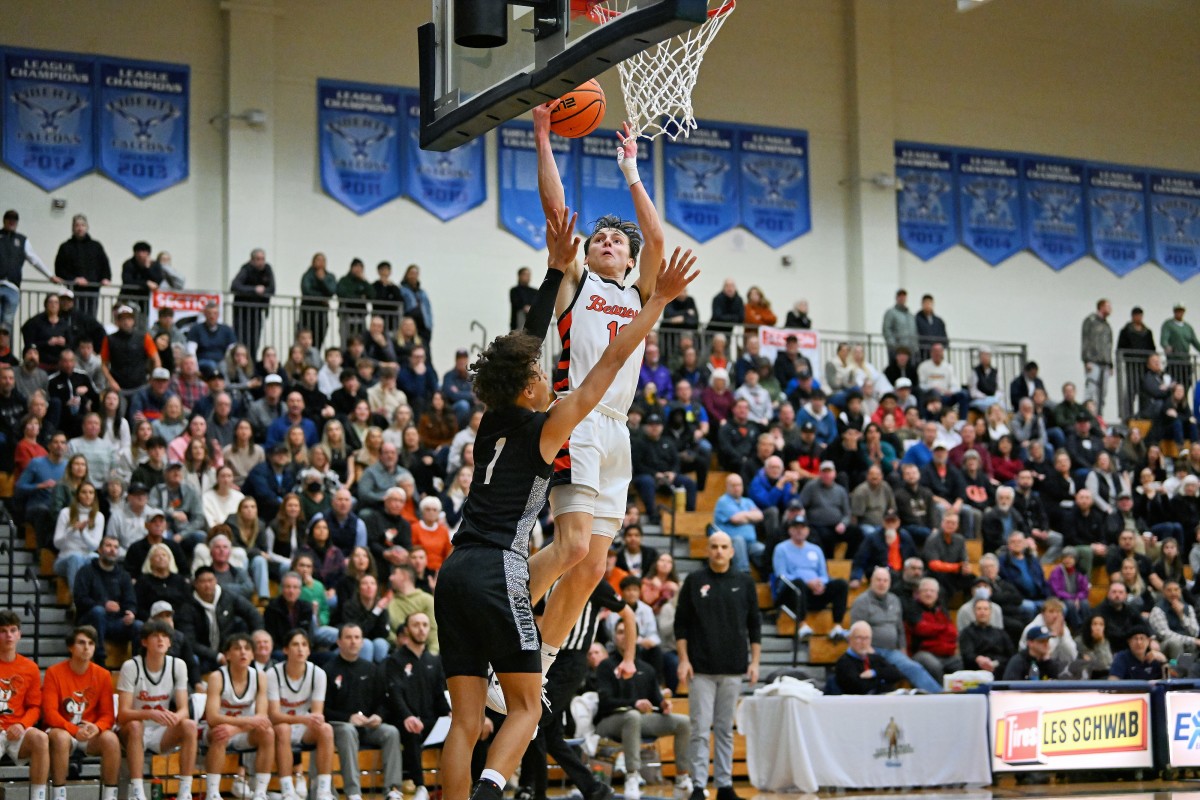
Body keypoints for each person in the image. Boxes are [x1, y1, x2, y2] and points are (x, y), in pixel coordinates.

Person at [435, 204, 693, 800]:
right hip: (500, 569)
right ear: (533, 387)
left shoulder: (492, 424)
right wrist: (647, 302)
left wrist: (546, 128)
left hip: (458, 567)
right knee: (526, 709)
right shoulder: (550, 424)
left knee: (466, 724)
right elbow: (600, 366)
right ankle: (491, 789)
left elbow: (526, 338)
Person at [674, 532, 759, 800]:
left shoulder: (745, 582)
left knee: (725, 730)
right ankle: (699, 786)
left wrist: (755, 662)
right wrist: (684, 659)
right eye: (715, 547)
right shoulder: (694, 580)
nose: (719, 551)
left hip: (734, 668)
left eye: (724, 547)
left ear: (732, 551)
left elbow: (754, 625)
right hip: (700, 669)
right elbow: (681, 624)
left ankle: (724, 785)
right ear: (708, 550)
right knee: (699, 729)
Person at [594, 617, 692, 800]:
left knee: (683, 722)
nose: (623, 636)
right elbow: (605, 701)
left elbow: (656, 698)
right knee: (632, 716)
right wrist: (634, 703)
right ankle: (632, 776)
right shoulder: (606, 665)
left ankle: (682, 779)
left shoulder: (646, 668)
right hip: (609, 721)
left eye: (628, 632)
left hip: (638, 720)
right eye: (620, 632)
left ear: (636, 636)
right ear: (614, 637)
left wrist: (664, 704)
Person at [116, 620, 199, 800]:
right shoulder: (131, 667)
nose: (160, 640)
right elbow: (122, 714)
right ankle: (137, 791)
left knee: (190, 725)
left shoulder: (178, 665)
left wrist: (174, 717)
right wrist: (150, 713)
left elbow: (184, 709)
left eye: (165, 636)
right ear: (144, 642)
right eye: (155, 636)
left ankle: (185, 791)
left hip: (160, 731)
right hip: (132, 731)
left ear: (170, 642)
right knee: (136, 726)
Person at [324, 623, 405, 800]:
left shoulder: (371, 669)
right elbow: (323, 710)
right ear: (339, 642)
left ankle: (393, 789)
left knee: (391, 732)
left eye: (357, 637)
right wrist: (348, 718)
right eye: (348, 637)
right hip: (340, 727)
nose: (353, 642)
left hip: (368, 726)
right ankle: (353, 791)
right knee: (348, 730)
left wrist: (379, 716)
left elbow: (384, 701)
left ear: (362, 642)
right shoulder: (329, 670)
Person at [42, 624, 120, 800]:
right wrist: (73, 730)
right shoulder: (54, 672)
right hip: (62, 729)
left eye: (91, 643)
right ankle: (59, 794)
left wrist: (97, 727)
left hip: (89, 731)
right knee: (61, 738)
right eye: (81, 643)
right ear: (71, 647)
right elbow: (50, 713)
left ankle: (110, 795)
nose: (87, 648)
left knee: (111, 739)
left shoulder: (103, 675)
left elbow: (108, 714)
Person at [384, 612, 450, 800]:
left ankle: (460, 785)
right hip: (405, 720)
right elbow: (394, 693)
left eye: (424, 625)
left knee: (459, 731)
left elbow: (439, 695)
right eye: (416, 625)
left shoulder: (434, 660)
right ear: (407, 630)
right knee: (412, 731)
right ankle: (420, 786)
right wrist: (407, 716)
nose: (421, 629)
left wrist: (449, 712)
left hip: (430, 721)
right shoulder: (395, 660)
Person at [203, 633, 276, 800]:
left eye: (247, 649)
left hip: (242, 731)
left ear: (252, 654)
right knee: (220, 732)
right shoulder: (217, 677)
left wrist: (236, 728)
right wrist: (245, 722)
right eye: (237, 648)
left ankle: (260, 792)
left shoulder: (260, 677)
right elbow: (212, 718)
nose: (243, 652)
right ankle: (212, 793)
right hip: (217, 730)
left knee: (268, 733)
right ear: (227, 655)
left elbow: (262, 717)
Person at [266, 630, 336, 800]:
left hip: (304, 728)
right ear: (285, 650)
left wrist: (308, 719)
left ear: (309, 651)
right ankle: (287, 789)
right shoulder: (272, 674)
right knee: (283, 729)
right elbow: (274, 715)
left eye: (304, 645)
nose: (300, 649)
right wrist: (303, 718)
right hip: (278, 727)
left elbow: (317, 715)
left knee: (325, 729)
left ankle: (323, 790)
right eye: (295, 644)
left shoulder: (318, 674)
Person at [848, 567, 942, 693]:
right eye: (878, 580)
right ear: (872, 581)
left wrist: (903, 649)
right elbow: (857, 630)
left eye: (885, 580)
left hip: (892, 651)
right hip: (871, 651)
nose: (882, 583)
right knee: (881, 674)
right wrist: (867, 650)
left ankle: (940, 695)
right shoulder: (862, 602)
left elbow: (899, 628)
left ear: (889, 583)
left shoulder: (895, 600)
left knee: (914, 668)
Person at [0, 608, 51, 800]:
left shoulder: (30, 668)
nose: (9, 635)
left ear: (19, 634)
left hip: (16, 729)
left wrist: (21, 725)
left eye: (13, 630)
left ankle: (38, 797)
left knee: (41, 738)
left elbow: (35, 707)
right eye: (3, 631)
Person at [772, 516, 849, 641]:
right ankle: (802, 625)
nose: (799, 531)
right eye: (796, 528)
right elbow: (781, 575)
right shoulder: (781, 549)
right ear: (790, 530)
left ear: (808, 531)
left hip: (814, 593)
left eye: (802, 528)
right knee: (798, 583)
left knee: (841, 584)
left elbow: (824, 575)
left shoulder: (816, 549)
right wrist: (808, 583)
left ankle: (837, 626)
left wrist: (820, 584)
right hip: (791, 592)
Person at [181, 567, 264, 674]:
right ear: (195, 584)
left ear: (216, 581)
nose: (207, 585)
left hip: (229, 651)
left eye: (210, 580)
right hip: (203, 655)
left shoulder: (228, 597)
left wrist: (256, 637)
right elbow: (190, 641)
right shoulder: (187, 607)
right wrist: (217, 656)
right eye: (203, 581)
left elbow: (253, 613)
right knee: (192, 659)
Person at [73, 535, 139, 665]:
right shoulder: (86, 571)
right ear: (100, 549)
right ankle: (100, 660)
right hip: (89, 620)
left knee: (139, 626)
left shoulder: (123, 575)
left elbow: (130, 601)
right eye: (108, 546)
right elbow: (80, 599)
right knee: (99, 612)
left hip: (115, 622)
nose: (112, 550)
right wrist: (104, 605)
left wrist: (130, 613)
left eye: (115, 547)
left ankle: (138, 665)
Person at [906, 577, 962, 684]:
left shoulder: (942, 609)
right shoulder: (912, 608)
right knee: (934, 665)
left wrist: (936, 630)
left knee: (958, 662)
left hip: (942, 651)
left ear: (937, 594)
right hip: (920, 652)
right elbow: (921, 629)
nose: (928, 594)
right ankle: (941, 694)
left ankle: (956, 695)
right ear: (919, 593)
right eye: (925, 591)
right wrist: (942, 628)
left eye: (932, 591)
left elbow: (952, 632)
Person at [100, 305, 160, 396]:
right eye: (122, 319)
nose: (126, 322)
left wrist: (152, 380)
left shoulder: (144, 337)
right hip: (118, 387)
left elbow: (156, 360)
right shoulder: (109, 339)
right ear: (117, 321)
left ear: (133, 321)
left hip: (141, 386)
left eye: (128, 319)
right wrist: (111, 381)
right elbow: (104, 365)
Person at [712, 473, 765, 573]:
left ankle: (766, 576)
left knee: (762, 549)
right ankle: (743, 573)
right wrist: (750, 516)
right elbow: (735, 519)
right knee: (739, 540)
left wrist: (743, 515)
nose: (737, 488)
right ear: (727, 486)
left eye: (739, 485)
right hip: (730, 543)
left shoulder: (748, 501)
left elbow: (760, 516)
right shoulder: (723, 501)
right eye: (733, 485)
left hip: (750, 543)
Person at [834, 621, 905, 694]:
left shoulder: (874, 657)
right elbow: (859, 687)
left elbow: (897, 674)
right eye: (859, 638)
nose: (863, 642)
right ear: (850, 639)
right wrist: (883, 680)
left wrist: (874, 673)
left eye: (866, 638)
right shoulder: (844, 662)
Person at [230, 249, 275, 356]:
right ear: (252, 260)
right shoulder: (246, 269)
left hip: (257, 312)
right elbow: (235, 286)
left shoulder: (267, 269)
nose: (261, 262)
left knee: (255, 342)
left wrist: (262, 291)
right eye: (258, 259)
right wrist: (254, 290)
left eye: (263, 259)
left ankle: (252, 363)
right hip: (242, 313)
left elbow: (271, 289)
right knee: (242, 340)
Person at [958, 597, 1013, 676]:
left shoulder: (1001, 633)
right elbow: (967, 654)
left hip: (1000, 671)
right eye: (979, 609)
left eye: (985, 609)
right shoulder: (966, 633)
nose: (982, 612)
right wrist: (979, 659)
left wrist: (995, 663)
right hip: (976, 673)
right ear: (974, 612)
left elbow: (1011, 654)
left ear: (990, 612)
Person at [1081, 298, 1114, 416]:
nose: (1110, 309)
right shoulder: (1090, 321)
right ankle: (1087, 415)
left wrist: (1111, 364)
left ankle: (1100, 416)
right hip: (1093, 361)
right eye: (1108, 306)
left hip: (1105, 362)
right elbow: (1085, 340)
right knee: (1091, 389)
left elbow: (1109, 345)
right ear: (1101, 307)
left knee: (1103, 392)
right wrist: (1086, 359)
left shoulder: (1107, 325)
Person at [1162, 303, 1200, 388]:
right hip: (1174, 361)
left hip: (1185, 361)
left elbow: (1195, 342)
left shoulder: (1188, 327)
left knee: (1186, 383)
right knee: (1173, 383)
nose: (1179, 313)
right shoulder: (1168, 324)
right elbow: (1164, 339)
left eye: (1181, 311)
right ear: (1174, 312)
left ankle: (1184, 400)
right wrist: (1166, 346)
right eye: (1177, 311)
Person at [882, 289, 920, 358]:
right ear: (897, 298)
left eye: (904, 297)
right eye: (900, 296)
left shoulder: (910, 315)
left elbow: (914, 331)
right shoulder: (891, 313)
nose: (902, 298)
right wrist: (893, 345)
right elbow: (886, 329)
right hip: (897, 350)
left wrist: (915, 347)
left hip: (911, 350)